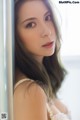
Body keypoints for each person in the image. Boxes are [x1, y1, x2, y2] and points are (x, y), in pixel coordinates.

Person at [14, 0, 71, 120]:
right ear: (15, 35)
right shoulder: (30, 92)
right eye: (31, 24)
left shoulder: (41, 79)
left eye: (47, 17)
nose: (47, 31)